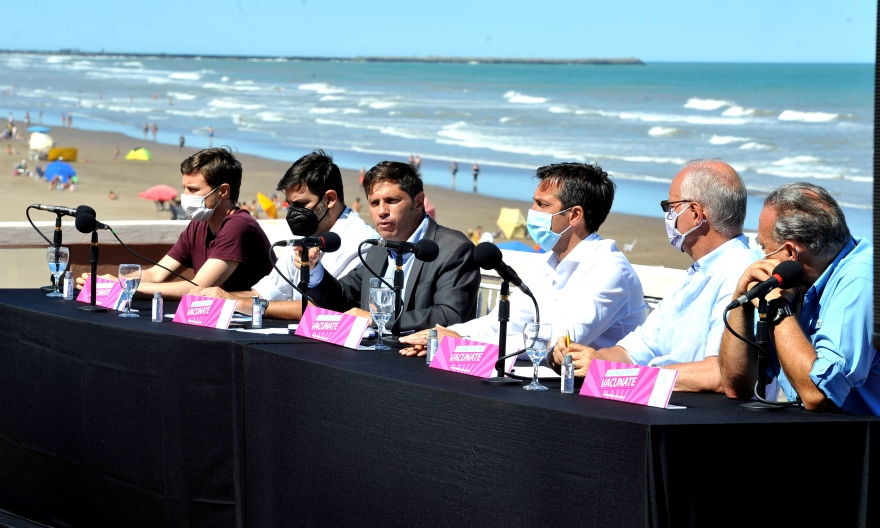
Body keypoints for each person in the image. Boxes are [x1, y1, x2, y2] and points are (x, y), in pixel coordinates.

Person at [547, 158, 760, 393]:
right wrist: (589, 359)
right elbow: (636, 350)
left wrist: (619, 375)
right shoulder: (696, 274)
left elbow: (718, 374)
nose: (668, 216)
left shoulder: (741, 273)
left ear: (696, 213)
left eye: (670, 207)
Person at [400, 162, 646, 357]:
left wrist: (461, 343)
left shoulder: (608, 271)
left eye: (542, 205)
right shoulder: (547, 261)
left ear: (575, 215)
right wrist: (443, 334)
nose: (533, 212)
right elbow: (503, 323)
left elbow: (557, 342)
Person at [719, 182, 878, 414]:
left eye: (764, 248)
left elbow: (819, 395)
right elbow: (737, 386)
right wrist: (742, 297)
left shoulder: (863, 279)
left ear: (791, 253)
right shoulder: (798, 281)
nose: (760, 258)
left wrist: (779, 309)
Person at [196, 150, 378, 320]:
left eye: (301, 204)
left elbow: (322, 308)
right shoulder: (307, 234)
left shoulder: (360, 243)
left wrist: (237, 303)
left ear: (329, 199)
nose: (293, 213)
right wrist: (216, 296)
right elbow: (266, 293)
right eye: (290, 205)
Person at [304, 161, 481, 332]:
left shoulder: (453, 249)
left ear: (419, 202)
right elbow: (342, 298)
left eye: (392, 200)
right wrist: (314, 269)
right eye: (374, 203)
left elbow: (450, 316)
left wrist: (377, 319)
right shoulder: (378, 247)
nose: (382, 211)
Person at [76, 147, 272, 299]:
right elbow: (156, 275)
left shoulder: (238, 225)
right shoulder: (198, 224)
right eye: (184, 188)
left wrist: (123, 286)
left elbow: (197, 287)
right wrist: (109, 281)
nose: (185, 196)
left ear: (223, 191)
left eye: (193, 190)